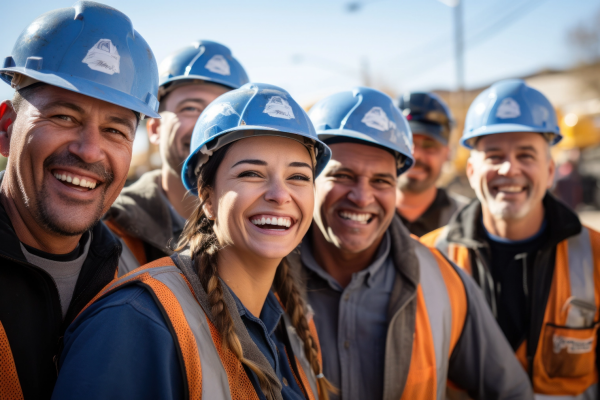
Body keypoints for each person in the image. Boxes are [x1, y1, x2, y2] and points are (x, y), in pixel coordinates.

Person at [53, 83, 336, 400]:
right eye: (251, 174)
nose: (280, 195)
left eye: (298, 177)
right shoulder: (136, 321)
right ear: (207, 198)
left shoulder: (287, 322)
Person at [288, 87, 532, 400]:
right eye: (343, 175)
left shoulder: (445, 282)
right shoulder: (261, 277)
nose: (362, 197)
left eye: (381, 181)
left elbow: (511, 392)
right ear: (309, 179)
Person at [0, 2, 159, 399]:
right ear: (5, 129)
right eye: (64, 117)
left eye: (115, 130)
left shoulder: (138, 278)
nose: (90, 151)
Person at [422, 79, 600, 398]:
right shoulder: (428, 258)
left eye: (526, 155)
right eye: (494, 155)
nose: (509, 168)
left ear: (549, 171)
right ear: (472, 171)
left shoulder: (597, 255)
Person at [104, 40, 249, 275]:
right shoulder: (107, 231)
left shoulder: (265, 228)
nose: (208, 125)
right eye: (191, 108)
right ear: (154, 129)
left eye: (225, 113)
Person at [396, 92, 468, 236]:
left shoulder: (469, 221)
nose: (415, 154)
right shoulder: (363, 216)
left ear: (448, 153)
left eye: (429, 145)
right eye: (406, 143)